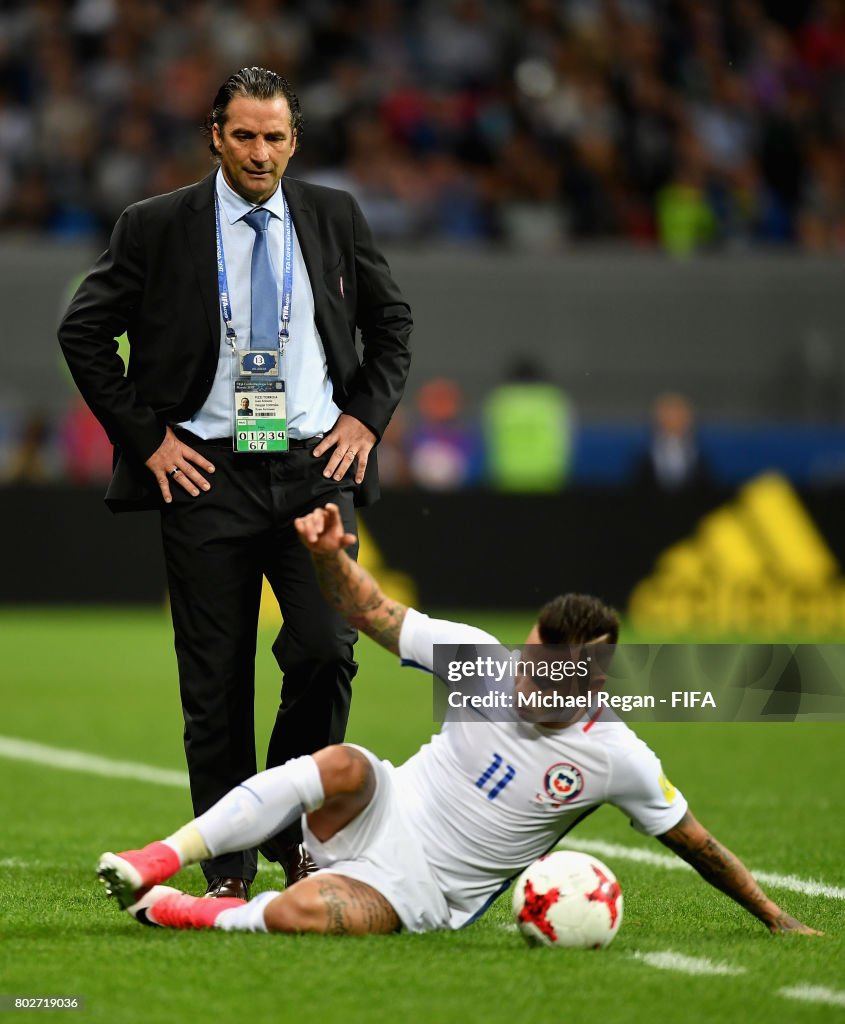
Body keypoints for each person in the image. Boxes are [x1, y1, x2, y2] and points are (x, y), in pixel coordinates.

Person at [96, 504, 819, 938]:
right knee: (344, 760)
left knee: (297, 916)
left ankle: (175, 910)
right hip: (375, 814)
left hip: (424, 893)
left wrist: (772, 915)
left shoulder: (616, 756)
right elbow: (370, 612)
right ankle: (156, 859)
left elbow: (697, 843)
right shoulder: (484, 663)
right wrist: (325, 558)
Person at [59, 68, 412, 901]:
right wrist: (147, 441)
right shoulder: (155, 226)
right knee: (215, 681)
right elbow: (83, 329)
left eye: (275, 137)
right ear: (214, 136)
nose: (261, 153)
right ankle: (228, 868)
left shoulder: (333, 215)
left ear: (295, 140)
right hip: (204, 474)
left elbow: (390, 323)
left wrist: (362, 420)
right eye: (245, 136)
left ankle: (291, 829)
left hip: (312, 468)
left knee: (327, 651)